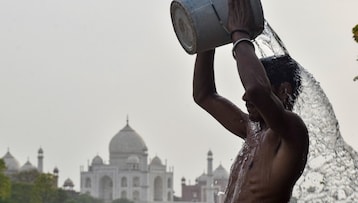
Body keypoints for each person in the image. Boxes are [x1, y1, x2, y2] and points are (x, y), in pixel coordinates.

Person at [192, 0, 309, 202]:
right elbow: (204, 95)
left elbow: (256, 90)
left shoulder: (292, 130)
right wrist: (208, 35)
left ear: (283, 91)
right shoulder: (252, 130)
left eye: (248, 89)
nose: (245, 96)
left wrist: (239, 33)